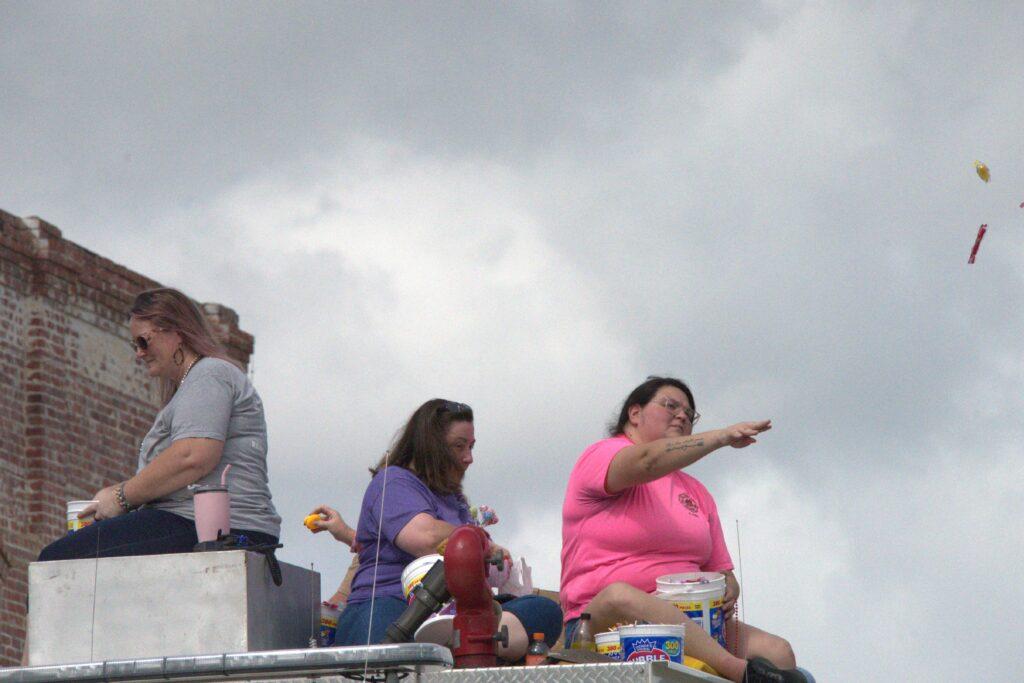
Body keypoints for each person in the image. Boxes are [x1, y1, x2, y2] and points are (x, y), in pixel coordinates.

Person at [560, 377, 811, 683]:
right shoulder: (601, 455)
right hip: (603, 622)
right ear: (635, 414)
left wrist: (728, 589)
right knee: (619, 596)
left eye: (689, 414)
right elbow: (648, 459)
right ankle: (741, 673)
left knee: (778, 652)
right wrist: (721, 437)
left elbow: (722, 573)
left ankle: (749, 671)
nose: (682, 415)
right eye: (670, 405)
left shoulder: (696, 492)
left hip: (696, 621)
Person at [37, 287, 281, 561]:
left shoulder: (209, 374)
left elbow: (193, 455)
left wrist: (120, 497)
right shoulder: (193, 385)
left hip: (217, 529)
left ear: (176, 332)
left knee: (57, 560)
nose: (139, 353)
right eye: (134, 345)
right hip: (209, 526)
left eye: (144, 341)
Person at [334, 399, 562, 661]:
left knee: (544, 611)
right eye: (459, 446)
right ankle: (465, 643)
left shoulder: (455, 500)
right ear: (430, 446)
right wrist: (482, 542)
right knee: (386, 644)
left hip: (457, 611)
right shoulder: (392, 481)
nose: (469, 458)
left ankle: (459, 642)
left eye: (471, 447)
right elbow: (425, 538)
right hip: (390, 604)